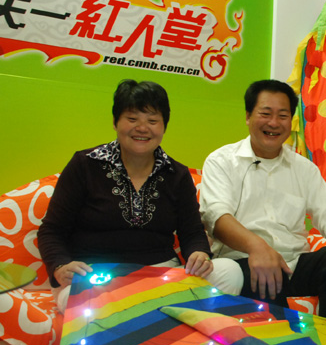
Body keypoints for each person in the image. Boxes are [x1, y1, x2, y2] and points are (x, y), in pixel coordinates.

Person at [38, 79, 242, 312]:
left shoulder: (176, 174)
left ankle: (141, 313)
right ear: (115, 122)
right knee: (76, 299)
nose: (142, 128)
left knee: (230, 272)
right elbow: (51, 230)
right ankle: (162, 314)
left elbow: (192, 231)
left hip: (161, 275)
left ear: (164, 127)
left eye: (152, 121)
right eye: (132, 119)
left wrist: (199, 253)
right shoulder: (85, 165)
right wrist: (60, 266)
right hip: (97, 278)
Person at [200, 79, 326, 324]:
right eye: (265, 114)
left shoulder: (303, 168)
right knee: (263, 272)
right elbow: (217, 217)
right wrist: (257, 247)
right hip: (245, 261)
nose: (274, 123)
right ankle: (286, 341)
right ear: (248, 116)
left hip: (294, 265)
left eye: (283, 115)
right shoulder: (221, 161)